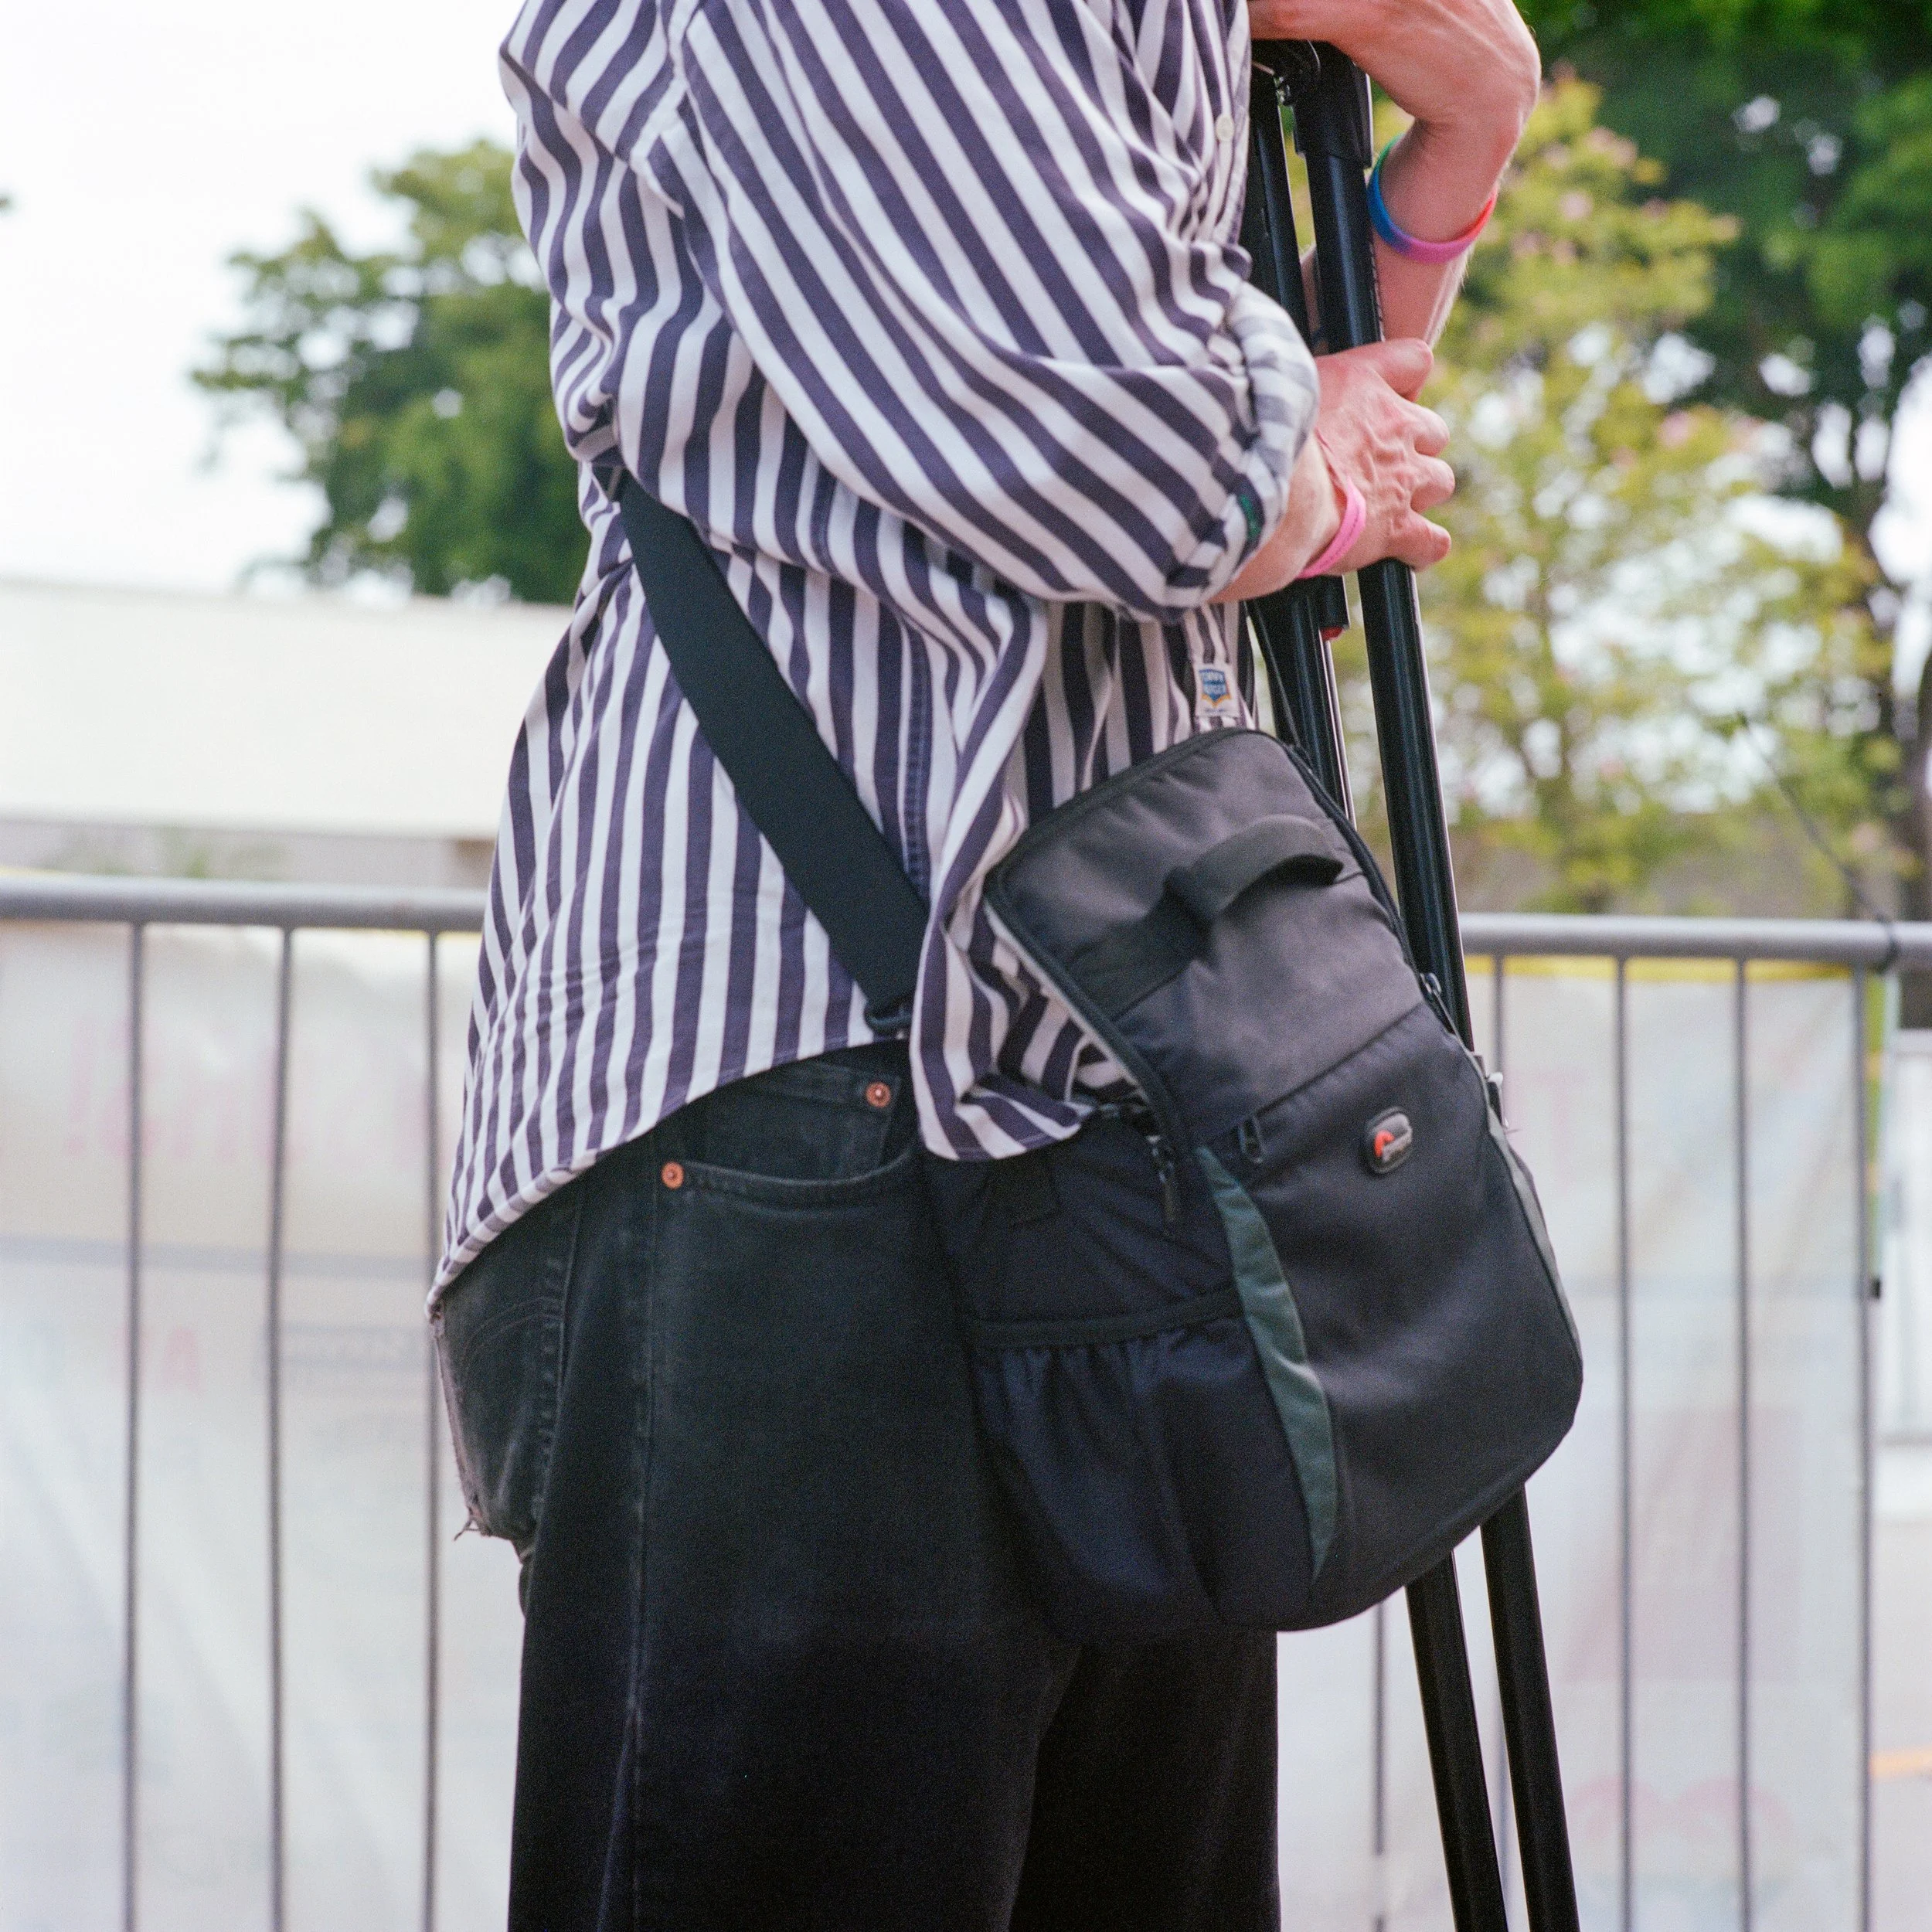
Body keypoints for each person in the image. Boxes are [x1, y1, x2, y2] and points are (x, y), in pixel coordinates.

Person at [432, 0, 1540, 1924]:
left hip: (1108, 1076)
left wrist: (1466, 114)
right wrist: (1309, 466)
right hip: (806, 1074)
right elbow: (1148, 462)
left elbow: (1288, 473)